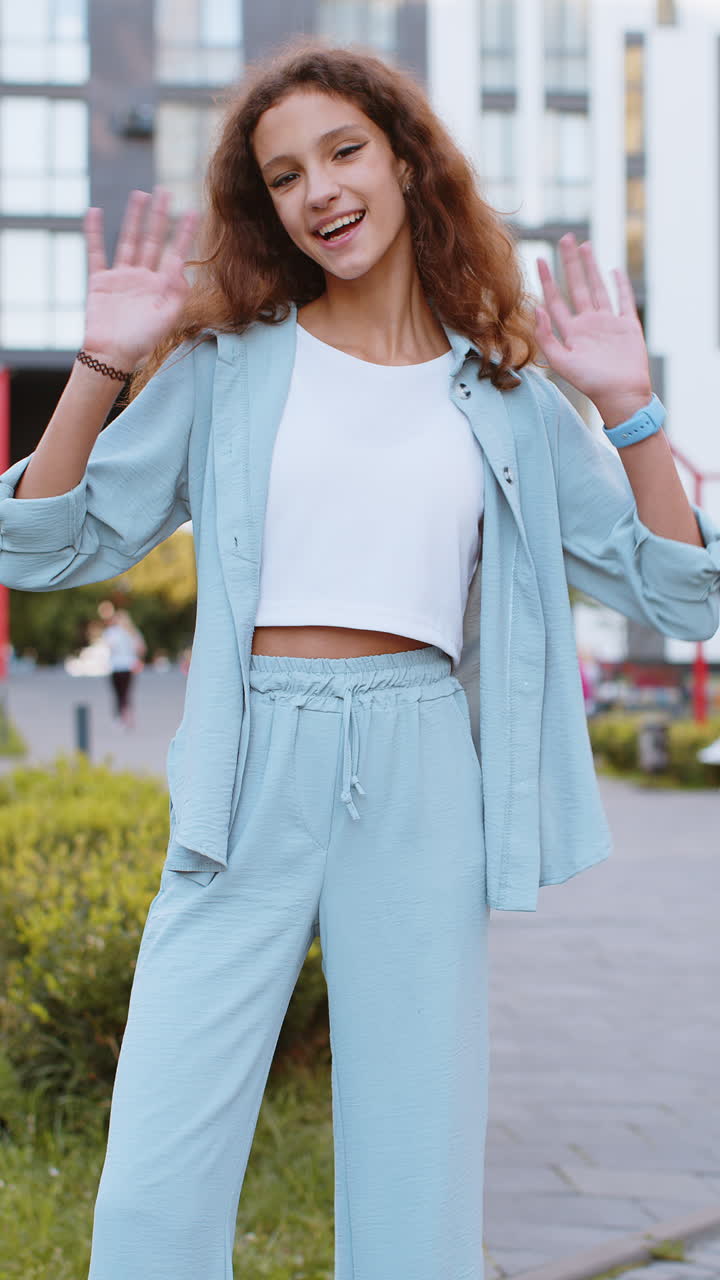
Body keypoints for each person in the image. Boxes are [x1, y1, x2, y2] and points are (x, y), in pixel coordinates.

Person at [0, 41, 719, 1280]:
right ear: (266, 205)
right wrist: (104, 365)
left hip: (421, 754)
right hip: (249, 758)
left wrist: (631, 408)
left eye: (342, 151)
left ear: (404, 159)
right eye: (284, 175)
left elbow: (678, 588)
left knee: (415, 1177)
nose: (320, 190)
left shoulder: (505, 392)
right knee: (154, 1181)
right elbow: (41, 545)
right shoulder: (228, 366)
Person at [103, 607, 146, 726]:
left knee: (118, 693)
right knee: (126, 693)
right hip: (128, 665)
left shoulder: (112, 632)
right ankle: (127, 715)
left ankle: (120, 717)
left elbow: (109, 647)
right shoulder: (132, 632)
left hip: (117, 666)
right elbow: (141, 649)